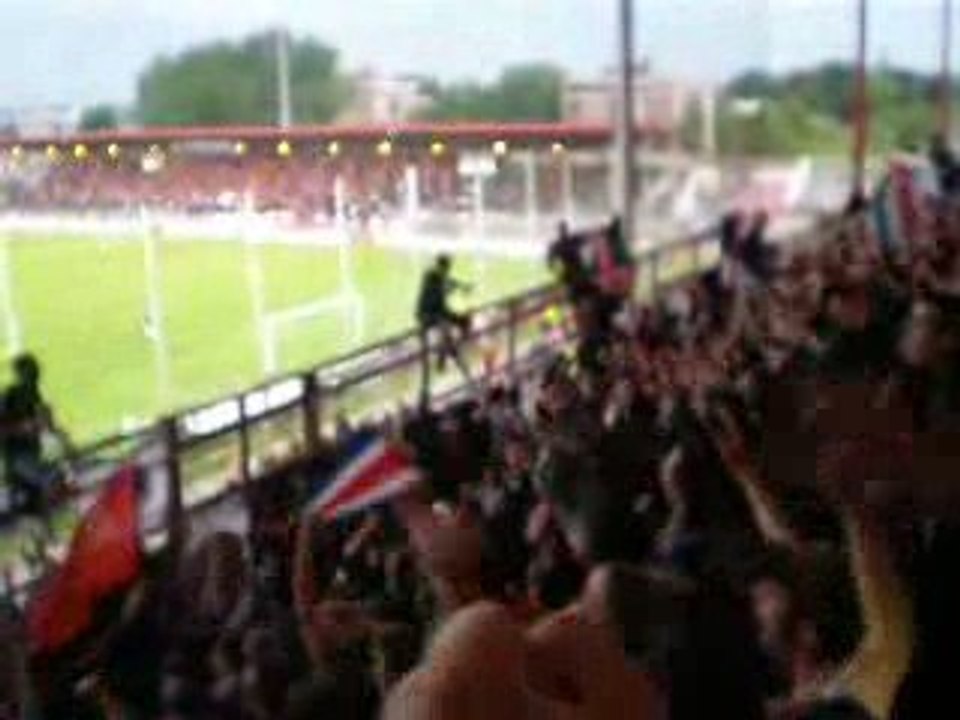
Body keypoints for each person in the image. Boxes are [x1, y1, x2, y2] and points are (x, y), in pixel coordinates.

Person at [0, 353, 71, 519]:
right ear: (21, 374)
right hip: (18, 460)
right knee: (52, 480)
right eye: (31, 372)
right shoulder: (10, 396)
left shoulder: (34, 394)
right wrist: (23, 428)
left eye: (36, 371)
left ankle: (43, 521)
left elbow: (45, 423)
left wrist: (61, 436)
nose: (36, 375)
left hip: (31, 456)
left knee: (57, 479)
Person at [416, 255, 472, 404]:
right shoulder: (431, 276)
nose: (446, 272)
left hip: (439, 314)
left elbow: (450, 282)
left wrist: (462, 286)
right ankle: (443, 357)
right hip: (427, 316)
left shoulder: (439, 277)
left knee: (460, 322)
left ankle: (446, 353)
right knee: (446, 327)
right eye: (445, 269)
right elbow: (444, 285)